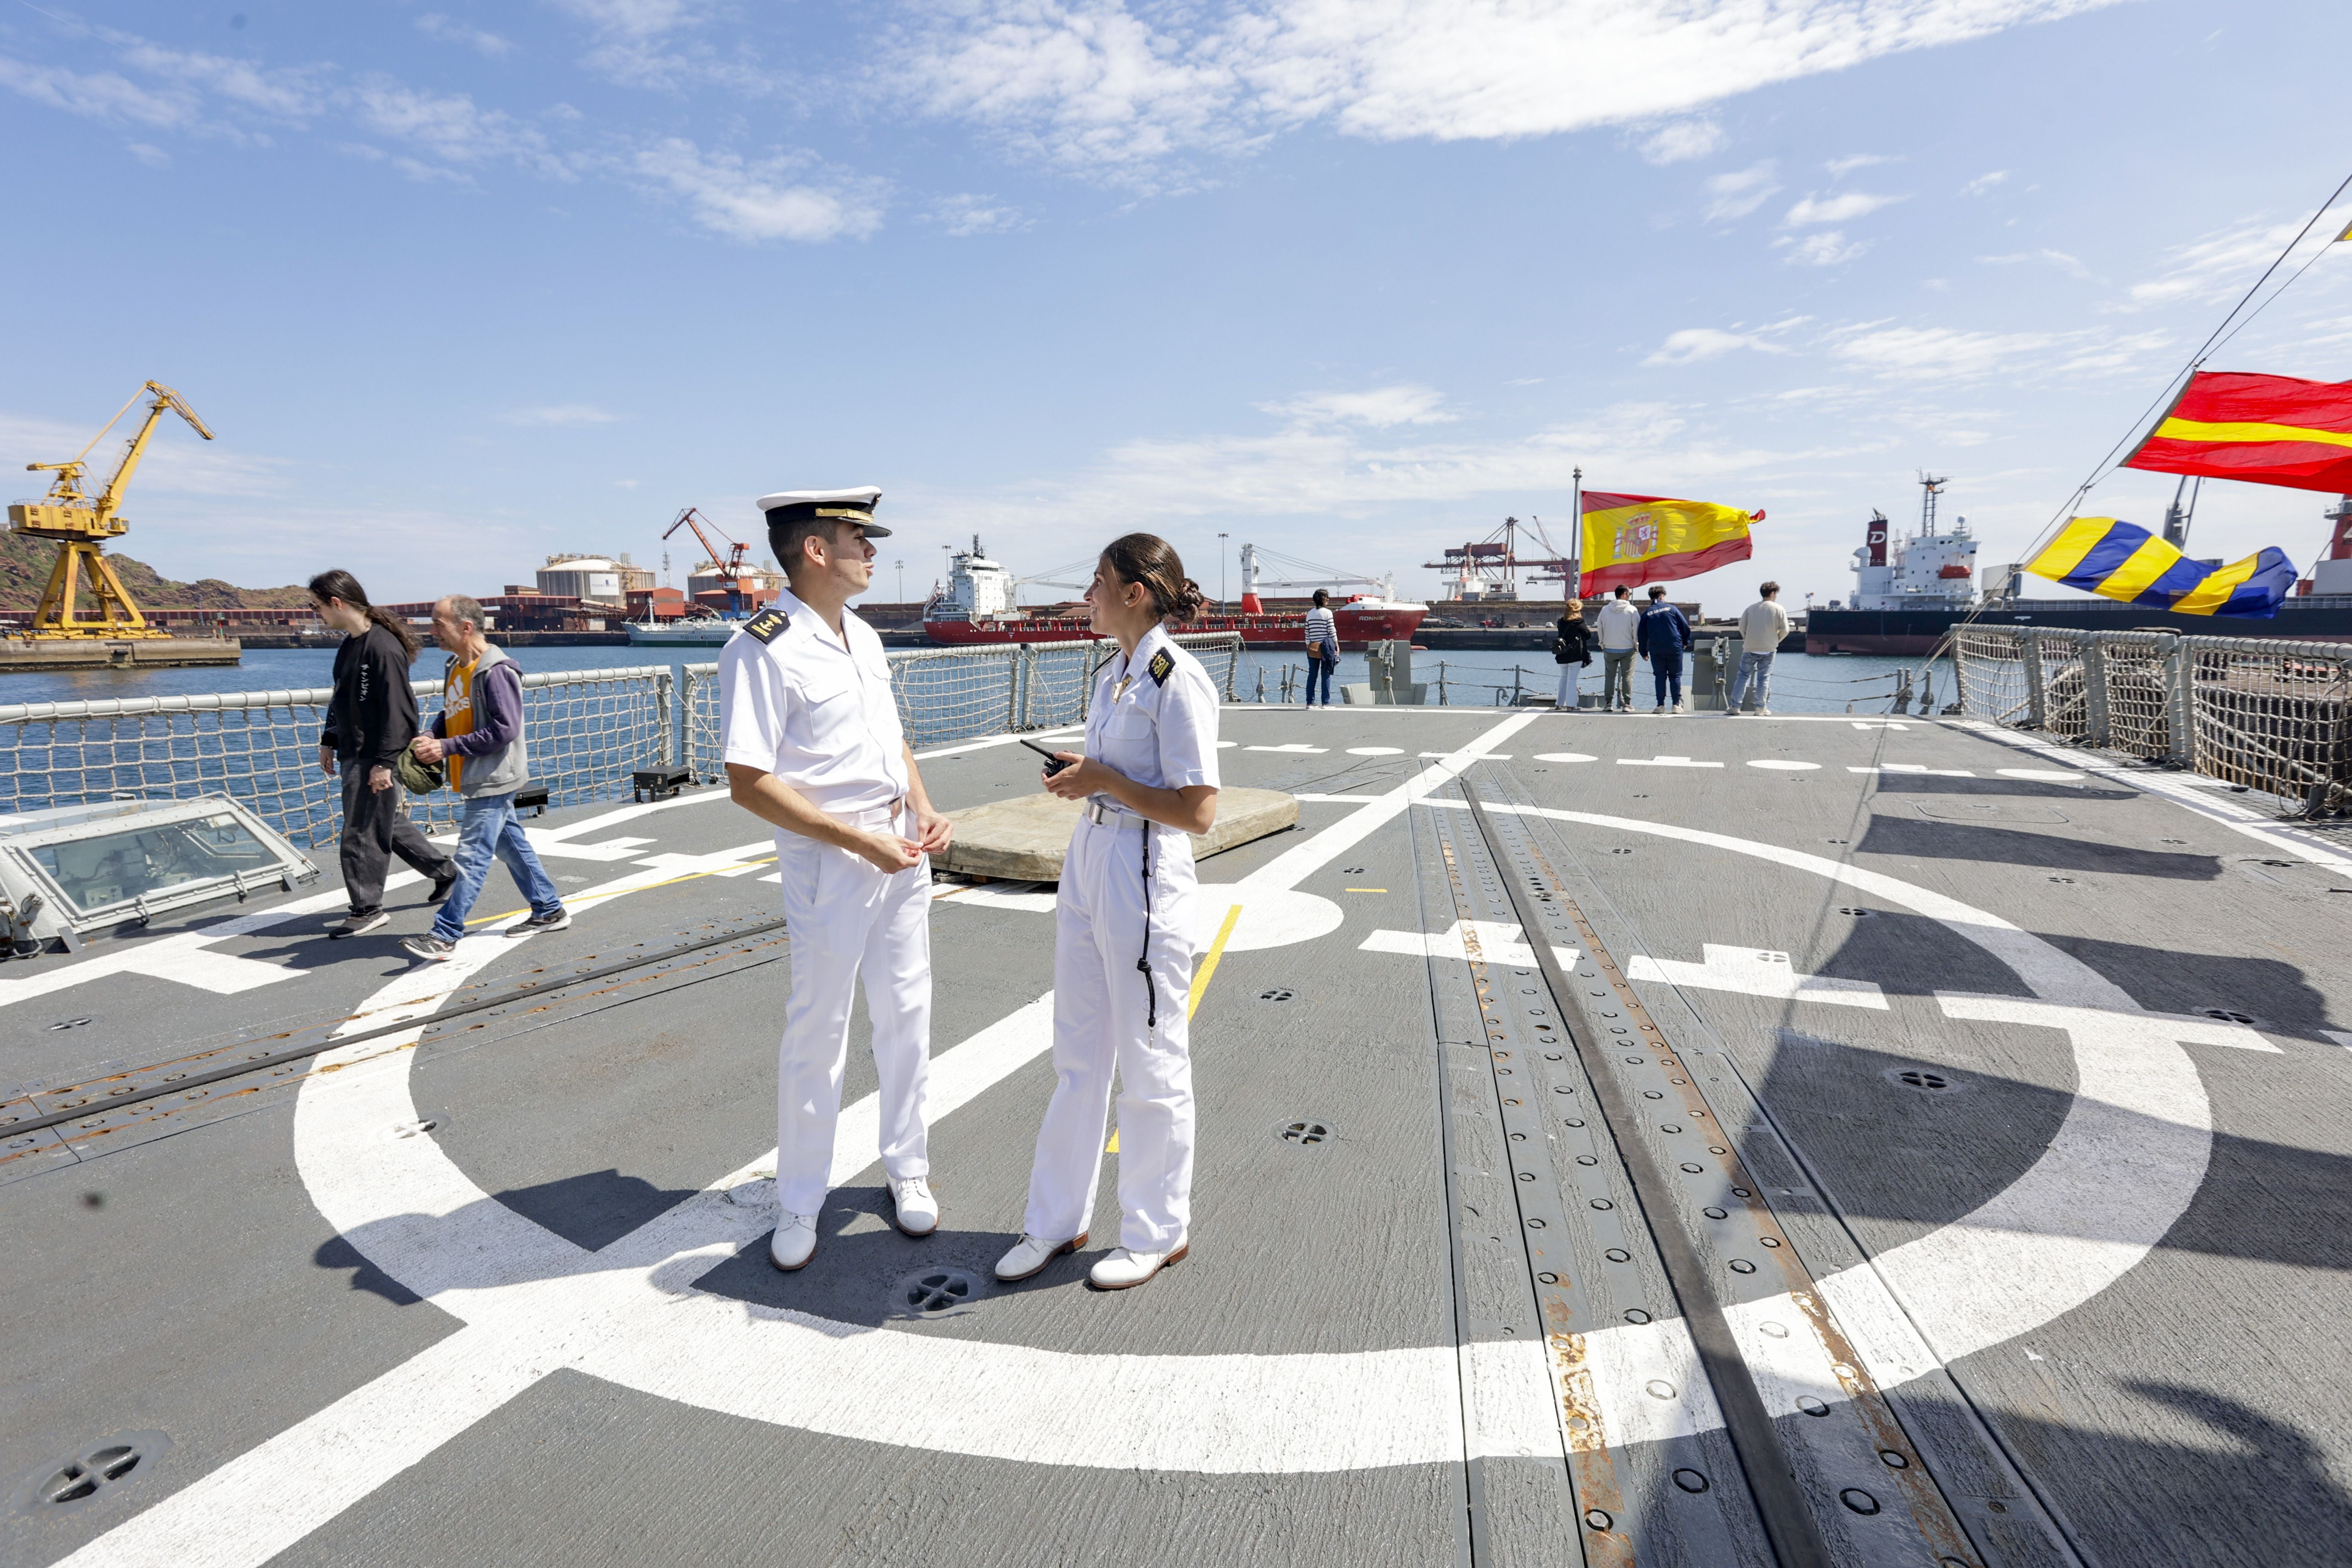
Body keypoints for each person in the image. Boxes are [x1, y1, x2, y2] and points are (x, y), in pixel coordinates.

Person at [719, 487, 955, 1273]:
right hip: (832, 858)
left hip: (899, 846)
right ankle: (800, 1198)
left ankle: (908, 1167)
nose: (872, 551)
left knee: (907, 1015)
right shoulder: (760, 647)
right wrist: (859, 841)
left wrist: (923, 808)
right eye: (858, 539)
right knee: (818, 1030)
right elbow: (749, 781)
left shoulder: (866, 635)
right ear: (816, 551)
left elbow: (893, 741)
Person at [997, 534, 1219, 1292]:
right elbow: (1118, 774)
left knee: (1151, 1059)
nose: (1087, 594)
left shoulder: (1175, 680)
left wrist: (1105, 780)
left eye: (1098, 581)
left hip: (1143, 869)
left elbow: (1198, 811)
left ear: (1134, 592)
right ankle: (1055, 1219)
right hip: (1091, 857)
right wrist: (1085, 776)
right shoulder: (1115, 675)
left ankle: (1158, 1230)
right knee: (1078, 1053)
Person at [398, 596, 568, 961]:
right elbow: (453, 711)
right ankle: (548, 908)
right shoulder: (456, 665)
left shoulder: (497, 671)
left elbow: (505, 730)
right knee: (510, 845)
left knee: (472, 856)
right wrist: (432, 735)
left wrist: (446, 748)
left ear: (465, 627)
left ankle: (445, 934)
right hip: (476, 774)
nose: (432, 631)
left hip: (494, 776)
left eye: (438, 624)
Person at [310, 570, 455, 939]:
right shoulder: (350, 645)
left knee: (360, 831)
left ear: (336, 603)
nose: (317, 614)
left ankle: (367, 909)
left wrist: (384, 763)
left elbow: (401, 712)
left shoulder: (383, 647)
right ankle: (446, 872)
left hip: (374, 754)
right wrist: (329, 739)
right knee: (382, 821)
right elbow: (341, 697)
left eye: (317, 607)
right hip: (354, 750)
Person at [1729, 580, 1790, 716]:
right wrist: (1776, 641)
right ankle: (1760, 708)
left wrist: (1748, 639)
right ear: (1773, 593)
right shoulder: (1779, 609)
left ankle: (1735, 707)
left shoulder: (1751, 608)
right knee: (1763, 679)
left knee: (1742, 677)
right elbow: (1785, 630)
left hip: (1750, 648)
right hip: (1769, 649)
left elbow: (1742, 627)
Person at [1637, 585, 1693, 714]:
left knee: (1660, 677)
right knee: (1675, 676)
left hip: (1656, 648)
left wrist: (1643, 652)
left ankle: (1660, 705)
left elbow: (1642, 635)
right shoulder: (1672, 609)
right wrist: (1686, 642)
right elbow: (1685, 626)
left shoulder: (1646, 614)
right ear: (1662, 596)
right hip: (1674, 647)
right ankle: (1676, 705)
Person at [1595, 585, 1640, 713]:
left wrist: (1602, 643)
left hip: (1610, 648)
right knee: (1627, 677)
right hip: (1628, 648)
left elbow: (1600, 628)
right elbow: (1636, 629)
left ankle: (1609, 703)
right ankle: (1627, 703)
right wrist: (1637, 645)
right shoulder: (1632, 610)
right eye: (1629, 594)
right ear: (1625, 594)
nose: (1630, 596)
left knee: (1610, 677)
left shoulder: (1605, 610)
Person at [1302, 589, 1339, 707]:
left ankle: (1310, 702)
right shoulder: (1328, 613)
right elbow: (1332, 630)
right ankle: (1325, 702)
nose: (1328, 599)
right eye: (1326, 597)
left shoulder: (1310, 613)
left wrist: (1308, 644)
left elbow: (1307, 631)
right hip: (1326, 647)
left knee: (1312, 675)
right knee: (1326, 675)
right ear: (1322, 599)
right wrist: (1337, 644)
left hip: (1313, 647)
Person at [1553, 599, 1592, 710]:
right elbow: (1587, 635)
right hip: (1576, 654)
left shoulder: (1561, 622)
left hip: (1562, 653)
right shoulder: (1579, 622)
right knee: (1572, 680)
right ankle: (1571, 705)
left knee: (1563, 678)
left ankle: (1559, 704)